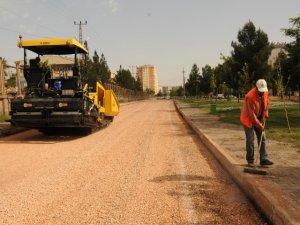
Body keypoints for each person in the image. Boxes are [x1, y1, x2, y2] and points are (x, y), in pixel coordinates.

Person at [240, 79, 274, 166]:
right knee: (250, 140)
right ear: (256, 88)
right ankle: (250, 161)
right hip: (248, 119)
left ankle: (264, 159)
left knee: (263, 137)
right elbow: (252, 115)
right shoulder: (250, 96)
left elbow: (267, 103)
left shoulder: (265, 92)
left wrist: (265, 113)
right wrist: (259, 125)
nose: (262, 93)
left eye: (263, 91)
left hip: (258, 116)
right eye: (260, 91)